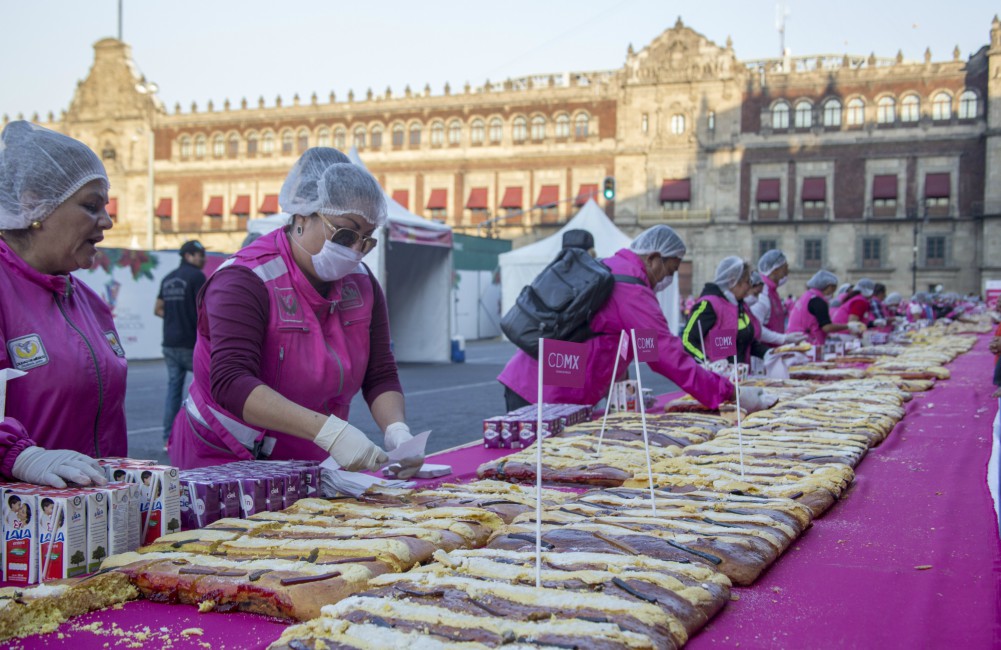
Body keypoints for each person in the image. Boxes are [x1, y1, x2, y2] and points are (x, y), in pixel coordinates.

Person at [168, 147, 423, 478]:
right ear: (302, 217)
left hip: (309, 456)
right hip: (225, 457)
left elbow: (380, 372)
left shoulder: (362, 284)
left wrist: (396, 430)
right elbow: (231, 382)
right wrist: (331, 432)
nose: (355, 250)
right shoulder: (245, 280)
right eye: (345, 234)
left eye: (366, 240)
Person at [498, 226, 776, 413]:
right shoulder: (632, 291)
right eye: (672, 269)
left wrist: (624, 394)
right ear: (654, 258)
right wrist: (730, 393)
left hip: (538, 381)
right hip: (544, 389)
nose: (670, 278)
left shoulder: (614, 267)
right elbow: (666, 357)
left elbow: (631, 346)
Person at [0, 121, 117, 488]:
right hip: (20, 528)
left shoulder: (89, 302)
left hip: (93, 522)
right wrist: (17, 454)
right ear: (35, 204)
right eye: (90, 206)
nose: (107, 221)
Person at [155, 240, 207, 448]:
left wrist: (175, 317)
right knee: (205, 391)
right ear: (188, 256)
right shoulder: (196, 277)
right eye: (199, 255)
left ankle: (168, 439)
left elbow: (158, 309)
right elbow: (205, 309)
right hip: (190, 343)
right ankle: (199, 439)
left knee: (173, 391)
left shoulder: (168, 279)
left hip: (170, 342)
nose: (202, 259)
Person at [682, 257, 768, 365]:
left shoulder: (740, 306)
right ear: (733, 281)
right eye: (747, 281)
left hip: (741, 378)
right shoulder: (709, 305)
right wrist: (705, 362)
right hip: (715, 378)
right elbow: (687, 339)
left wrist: (768, 353)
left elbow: (744, 340)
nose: (750, 286)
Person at [750, 249, 805, 347]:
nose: (787, 272)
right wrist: (784, 338)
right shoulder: (763, 293)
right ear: (775, 270)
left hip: (771, 353)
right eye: (785, 268)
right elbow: (756, 328)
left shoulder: (772, 292)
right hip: (762, 356)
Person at [787, 270, 855, 344]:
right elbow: (827, 327)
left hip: (796, 338)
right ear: (830, 286)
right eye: (833, 288)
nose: (833, 293)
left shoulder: (807, 296)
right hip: (808, 341)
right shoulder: (818, 301)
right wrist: (849, 326)